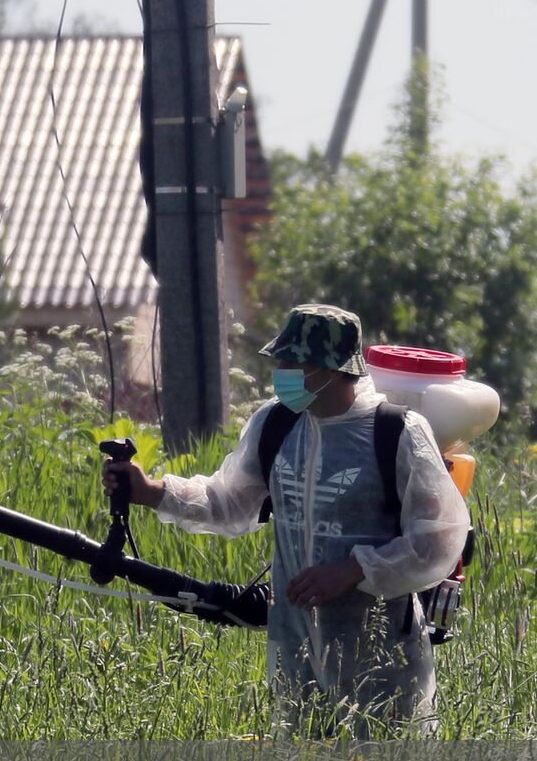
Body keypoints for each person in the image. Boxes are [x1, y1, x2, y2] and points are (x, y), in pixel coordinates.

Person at [103, 304, 470, 739]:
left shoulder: (398, 432)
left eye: (292, 362)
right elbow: (227, 501)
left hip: (381, 652)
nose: (281, 372)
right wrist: (152, 491)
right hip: (297, 644)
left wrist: (354, 570)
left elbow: (439, 540)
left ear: (331, 369)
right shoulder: (277, 423)